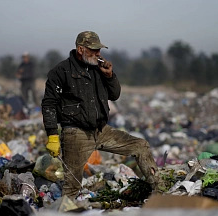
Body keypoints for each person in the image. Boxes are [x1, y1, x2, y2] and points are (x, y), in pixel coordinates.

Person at [41, 31, 165, 199]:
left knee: (140, 146)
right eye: (93, 50)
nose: (98, 53)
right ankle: (64, 214)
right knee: (73, 185)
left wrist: (109, 76)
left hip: (101, 130)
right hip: (76, 134)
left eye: (99, 49)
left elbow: (114, 95)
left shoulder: (98, 68)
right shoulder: (61, 72)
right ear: (80, 49)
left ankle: (162, 192)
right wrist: (52, 135)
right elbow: (49, 103)